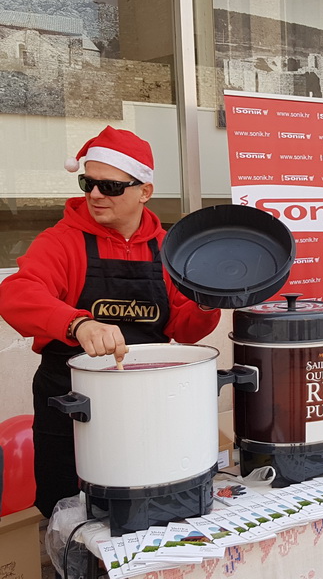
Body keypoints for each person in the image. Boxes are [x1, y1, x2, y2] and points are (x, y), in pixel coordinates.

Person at [0, 126, 221, 517]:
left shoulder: (167, 249)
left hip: (146, 399)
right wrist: (77, 324)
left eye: (111, 187)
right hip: (72, 402)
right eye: (89, 183)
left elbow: (184, 328)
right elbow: (16, 294)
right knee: (70, 510)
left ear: (144, 191)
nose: (96, 195)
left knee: (147, 501)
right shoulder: (62, 241)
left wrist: (207, 304)